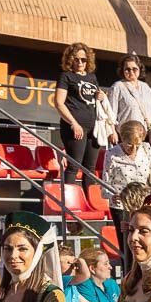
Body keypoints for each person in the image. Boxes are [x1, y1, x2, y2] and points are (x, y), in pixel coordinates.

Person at [102, 119, 151, 264]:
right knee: (127, 244)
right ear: (122, 139)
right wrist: (111, 196)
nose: (133, 149)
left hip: (142, 204)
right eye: (129, 144)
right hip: (122, 205)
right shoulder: (112, 154)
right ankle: (129, 278)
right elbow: (106, 181)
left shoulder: (146, 150)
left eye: (136, 145)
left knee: (146, 243)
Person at [54, 43, 109, 194]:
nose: (80, 63)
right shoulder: (66, 76)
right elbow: (58, 103)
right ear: (70, 60)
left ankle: (90, 205)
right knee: (73, 166)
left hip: (94, 127)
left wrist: (102, 96)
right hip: (75, 126)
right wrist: (73, 123)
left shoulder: (92, 77)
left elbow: (97, 99)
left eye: (83, 60)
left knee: (90, 169)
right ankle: (69, 204)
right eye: (76, 59)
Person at [107, 54, 151, 145]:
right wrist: (112, 132)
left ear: (139, 69)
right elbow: (110, 114)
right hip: (126, 136)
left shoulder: (146, 87)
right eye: (127, 69)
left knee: (144, 159)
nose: (131, 71)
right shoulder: (117, 87)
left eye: (134, 69)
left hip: (145, 135)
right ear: (122, 71)